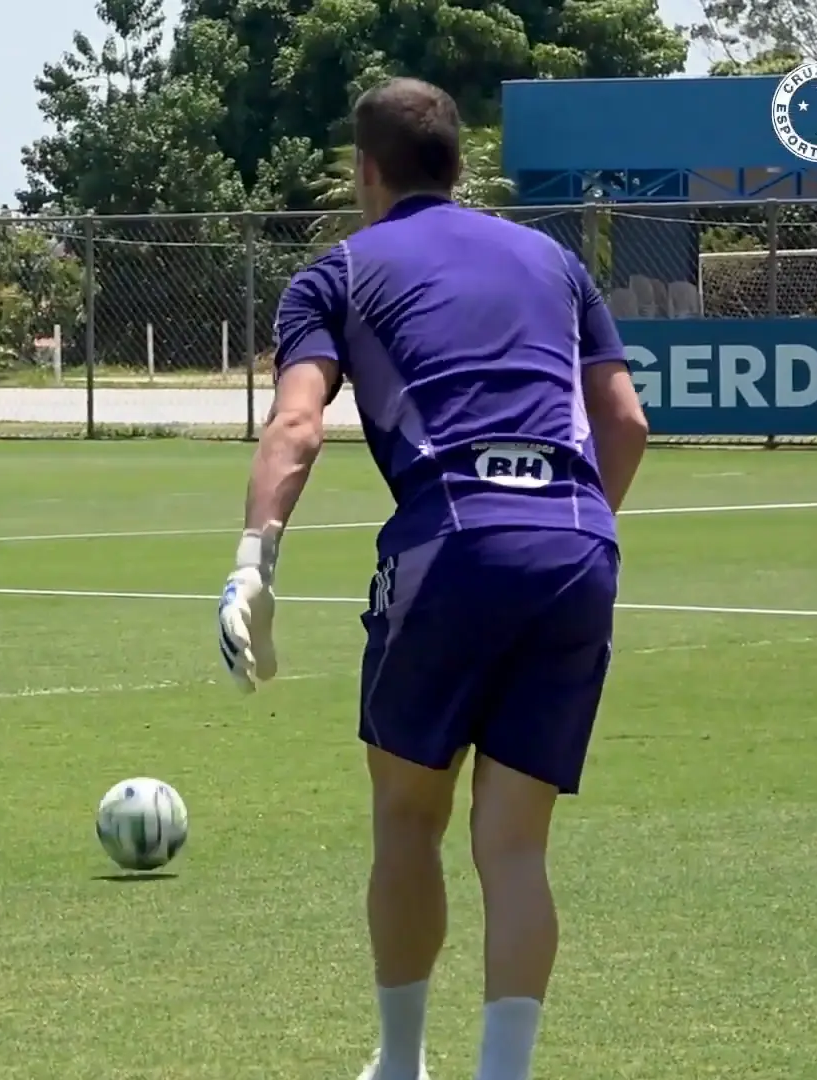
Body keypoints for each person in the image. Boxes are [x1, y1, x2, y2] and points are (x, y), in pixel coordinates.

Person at [215, 79, 649, 1080]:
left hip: (450, 537)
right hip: (578, 541)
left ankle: (403, 1064)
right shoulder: (553, 258)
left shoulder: (336, 274)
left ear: (364, 171)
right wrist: (566, 538)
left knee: (410, 813)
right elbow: (625, 423)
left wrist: (253, 563)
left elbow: (296, 423)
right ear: (458, 162)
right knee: (516, 845)